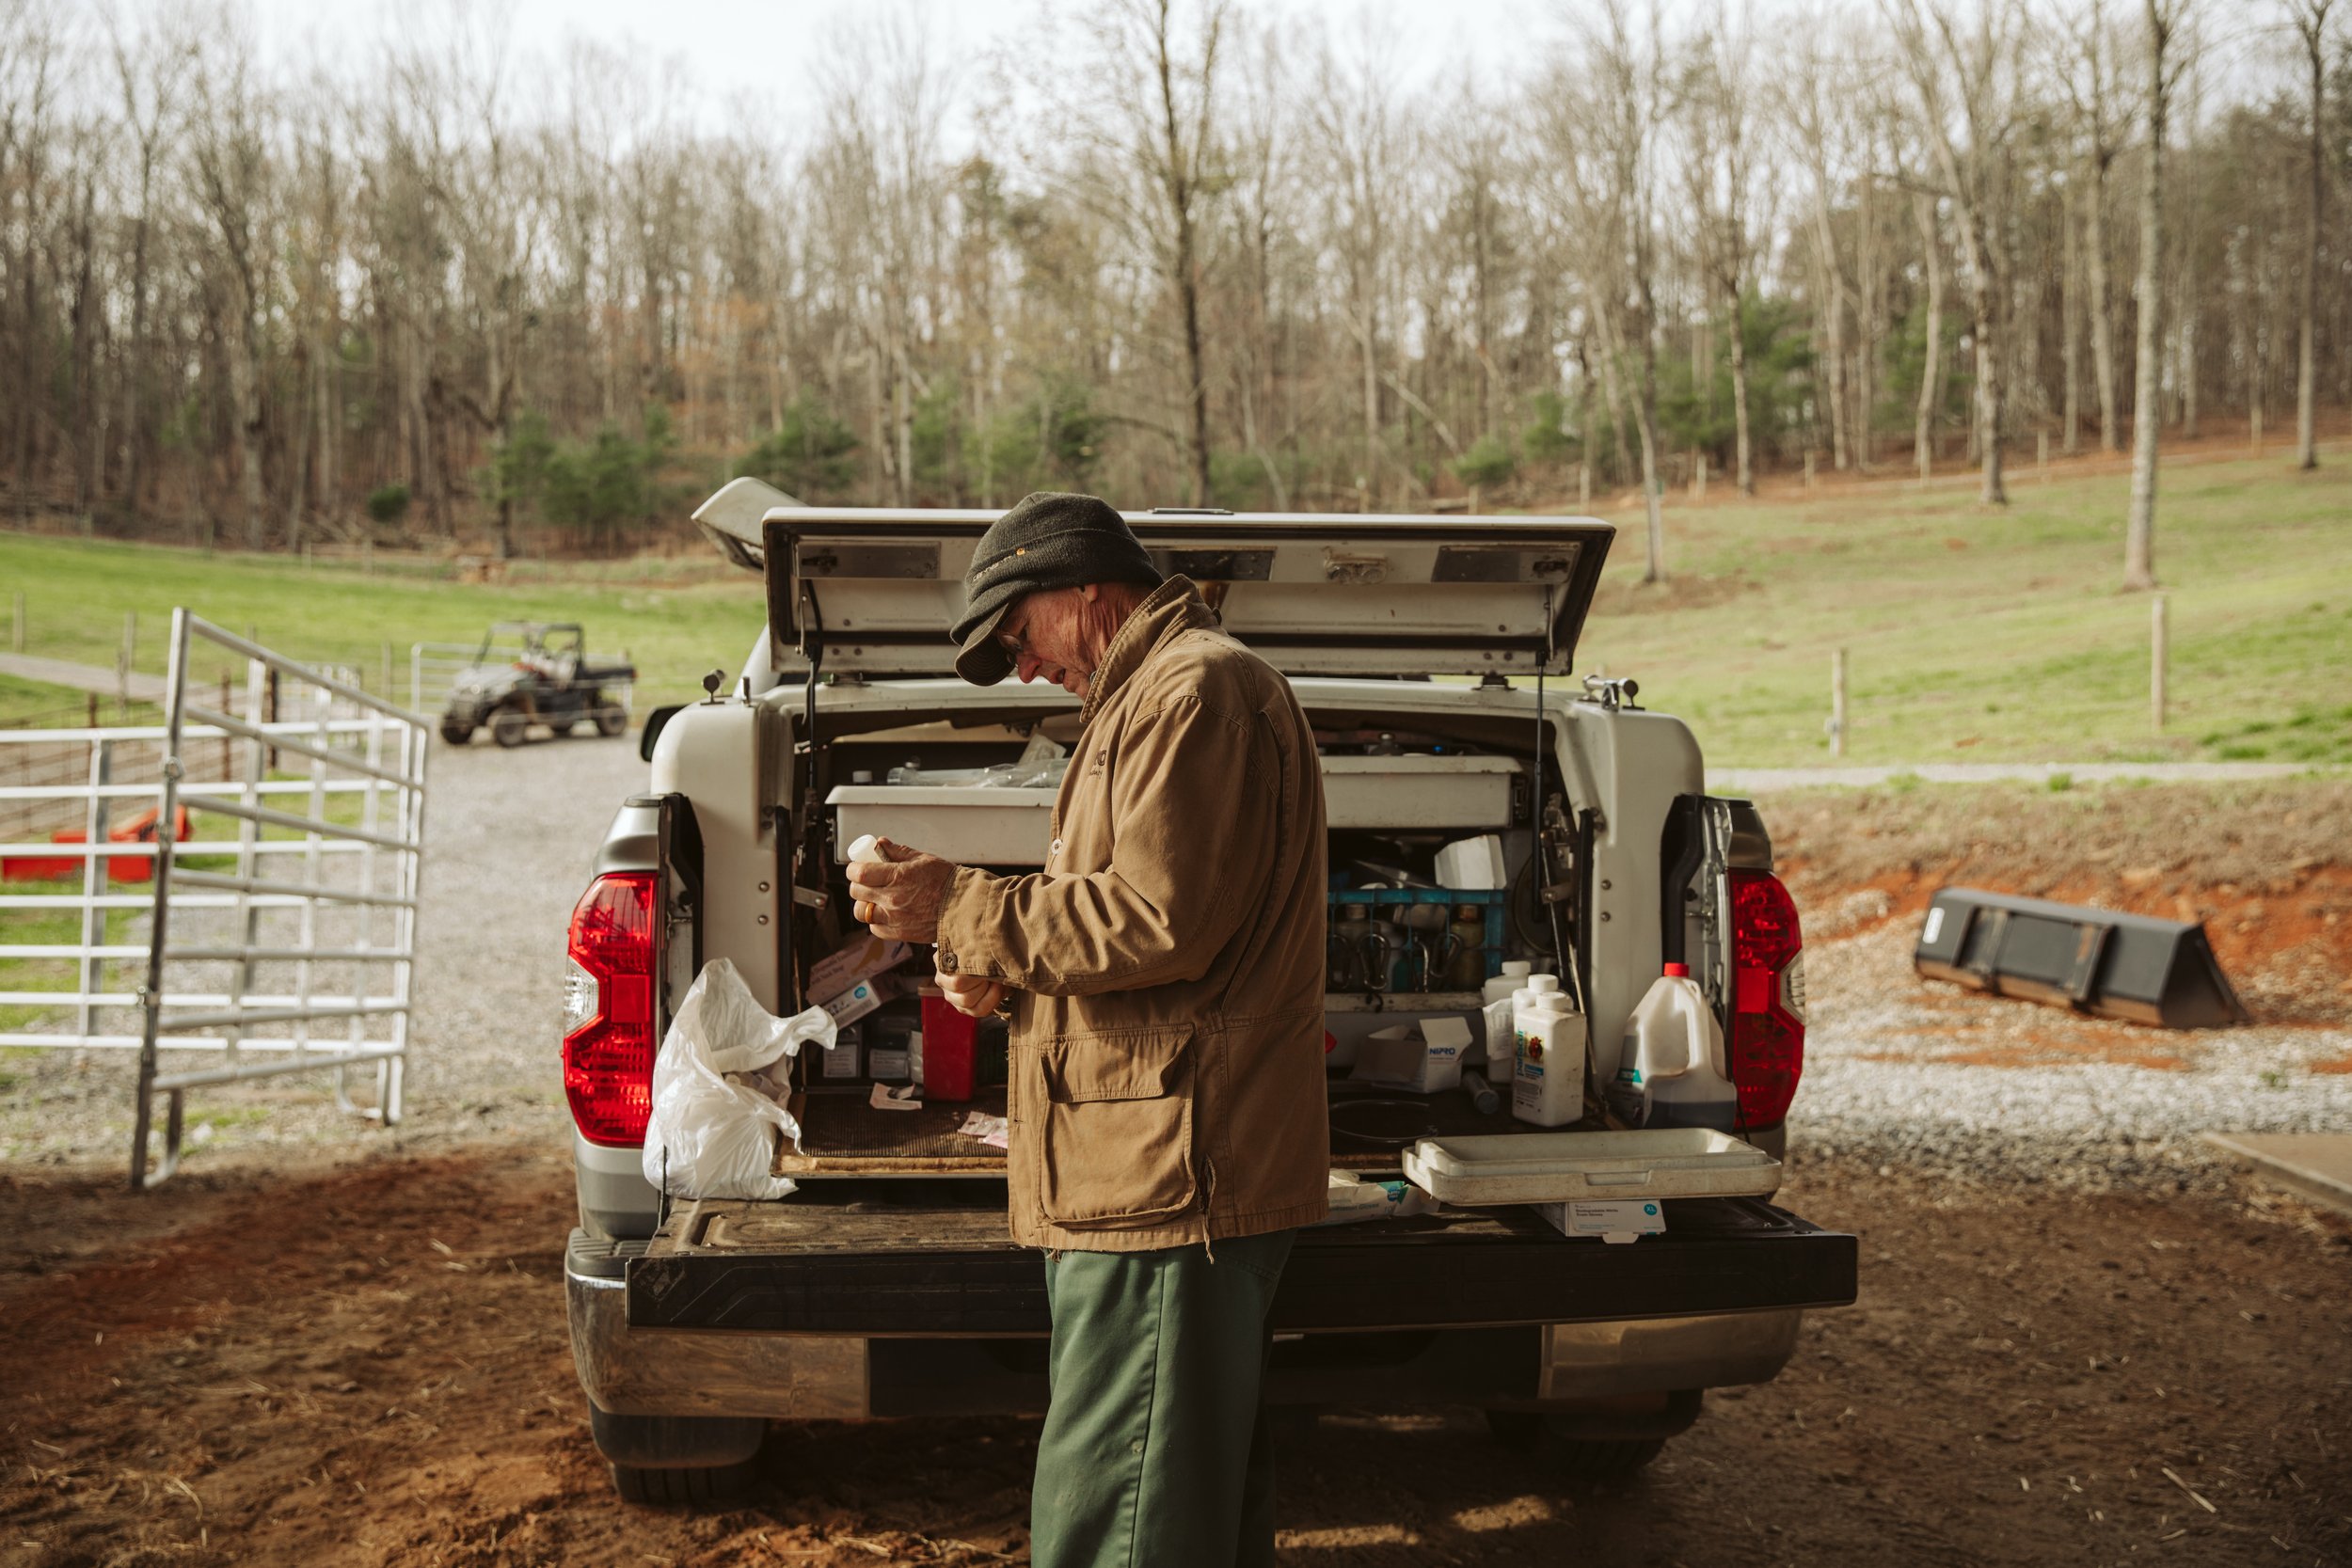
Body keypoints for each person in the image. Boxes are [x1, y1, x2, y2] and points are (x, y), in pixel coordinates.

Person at [845, 490, 1328, 1568]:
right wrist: (1010, 980)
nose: (1022, 666)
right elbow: (1161, 938)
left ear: (1082, 587)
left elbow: (1159, 919)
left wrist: (958, 905)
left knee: (1120, 1521)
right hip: (1152, 1172)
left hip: (1165, 1183)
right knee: (1180, 1512)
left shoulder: (1194, 691)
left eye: (1019, 634)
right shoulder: (1153, 696)